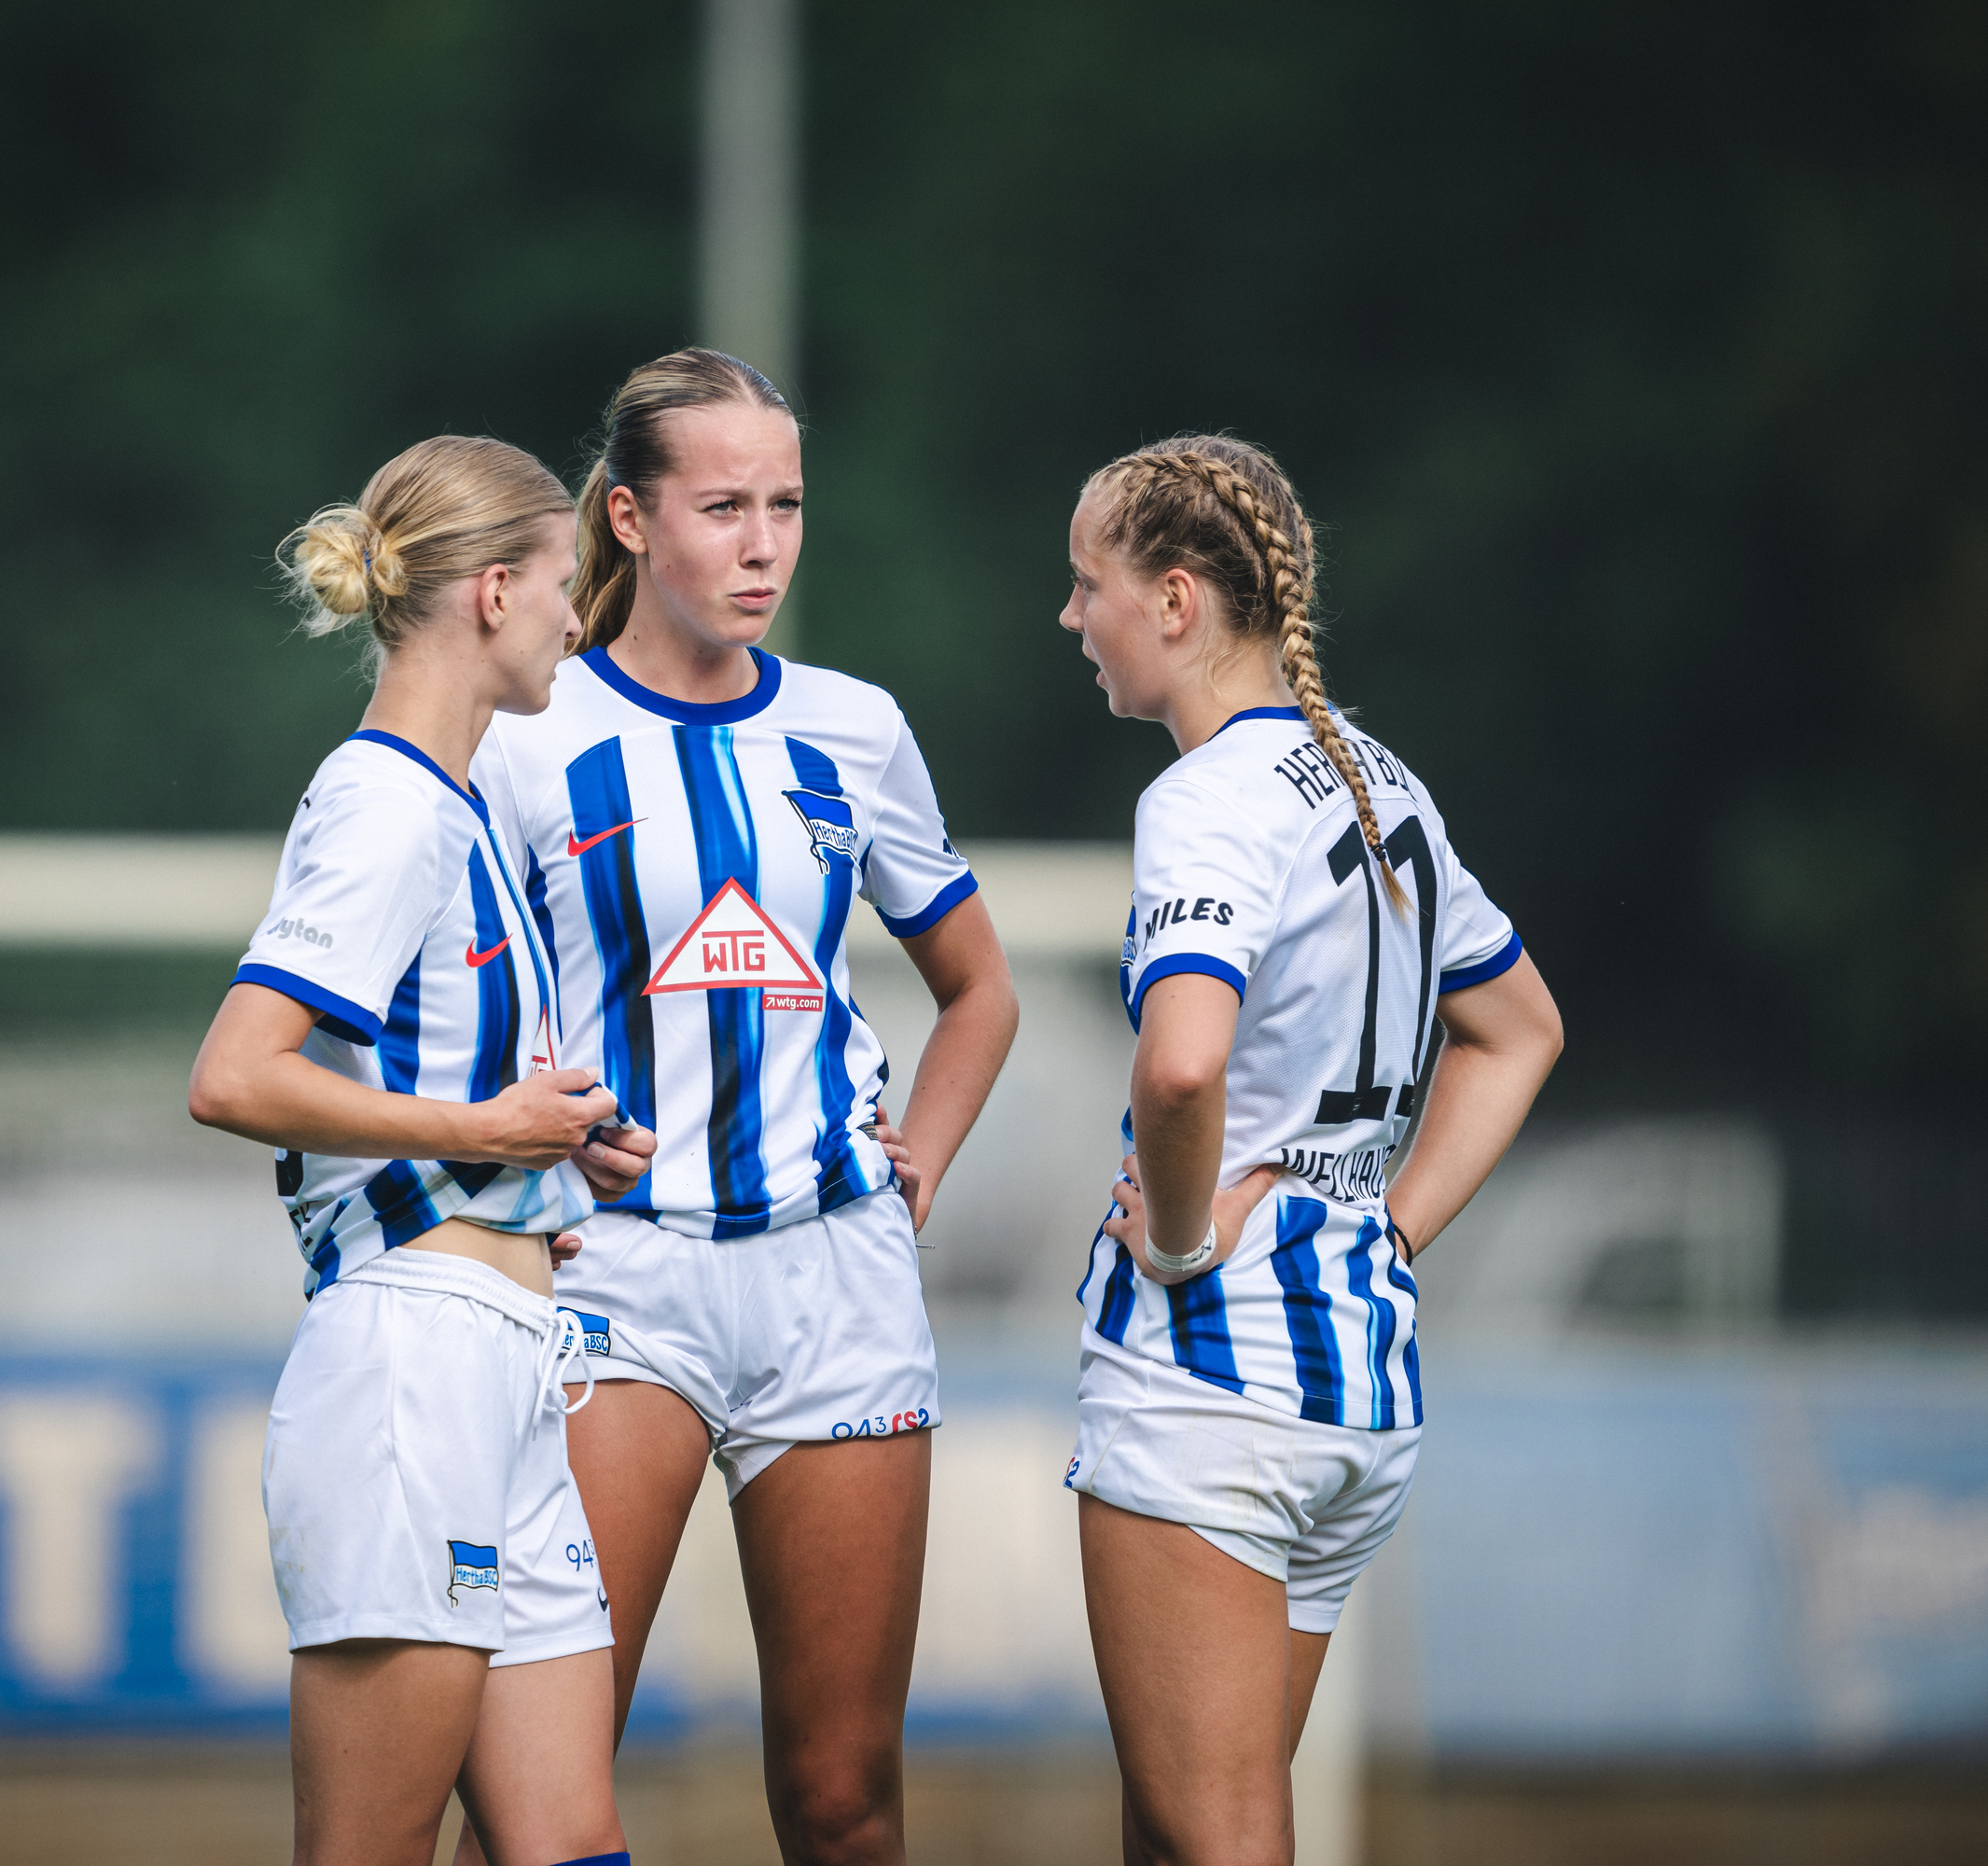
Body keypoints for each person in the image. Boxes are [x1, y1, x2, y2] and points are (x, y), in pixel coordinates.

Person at [461, 348, 1018, 1865]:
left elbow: (983, 992)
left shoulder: (852, 729)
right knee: (533, 1783)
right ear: (631, 520)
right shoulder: (528, 732)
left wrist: (913, 1175)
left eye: (785, 503)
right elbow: (445, 1008)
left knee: (843, 1801)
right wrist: (515, 1127)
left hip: (836, 1283)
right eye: (723, 507)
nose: (764, 541)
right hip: (616, 1286)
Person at [1058, 437, 1564, 1866]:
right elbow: (1521, 1032)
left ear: (1172, 599)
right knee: (1187, 1838)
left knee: (1216, 1844)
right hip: (1358, 1379)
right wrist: (1387, 1227)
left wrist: (1170, 1241)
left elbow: (1183, 1062)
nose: (1068, 618)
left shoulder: (1207, 798)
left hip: (1217, 1386)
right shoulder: (1383, 781)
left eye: (1085, 582)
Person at [186, 434, 651, 1866]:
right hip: (410, 1366)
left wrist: (546, 1163)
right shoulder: (385, 803)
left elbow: (419, 1082)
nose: (585, 616)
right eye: (570, 581)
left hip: (510, 1357)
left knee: (569, 1847)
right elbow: (233, 1073)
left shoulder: (461, 802)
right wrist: (486, 1132)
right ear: (495, 593)